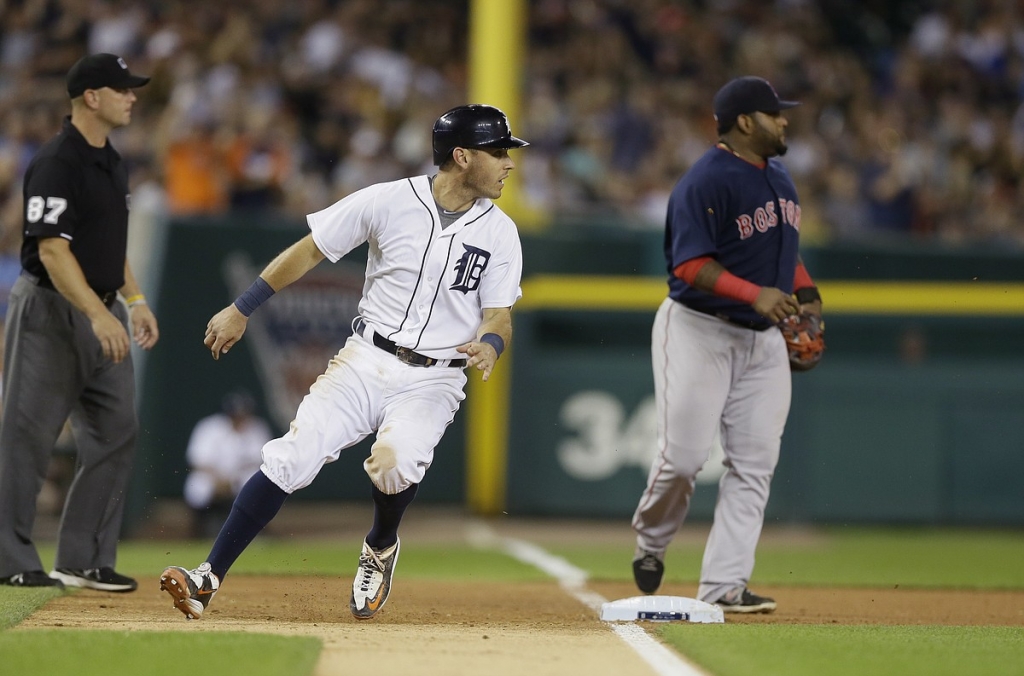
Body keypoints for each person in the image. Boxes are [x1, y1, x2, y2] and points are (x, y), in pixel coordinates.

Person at [160, 104, 528, 620]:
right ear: (462, 156)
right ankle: (207, 577)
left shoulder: (501, 232)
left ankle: (380, 544)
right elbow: (311, 250)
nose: (509, 162)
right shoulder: (389, 200)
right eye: (499, 151)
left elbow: (499, 316)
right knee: (291, 456)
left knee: (396, 462)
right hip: (365, 359)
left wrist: (490, 343)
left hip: (435, 377)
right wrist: (242, 308)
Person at [630, 76, 823, 613]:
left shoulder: (780, 177)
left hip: (763, 342)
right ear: (745, 122)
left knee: (754, 465)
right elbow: (688, 264)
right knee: (683, 460)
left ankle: (725, 586)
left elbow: (782, 249)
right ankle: (651, 541)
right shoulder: (705, 181)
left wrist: (805, 291)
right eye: (774, 113)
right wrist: (754, 293)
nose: (784, 120)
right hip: (698, 329)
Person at [0, 53, 159, 591]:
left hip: (104, 308)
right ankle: (10, 559)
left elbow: (108, 246)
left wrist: (133, 301)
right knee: (27, 437)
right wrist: (99, 313)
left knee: (117, 431)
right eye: (122, 89)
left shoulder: (112, 160)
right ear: (92, 97)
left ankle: (82, 558)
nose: (132, 96)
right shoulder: (57, 162)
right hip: (52, 310)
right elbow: (51, 251)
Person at [183, 390, 273, 539]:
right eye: (235, 415)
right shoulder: (210, 427)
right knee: (198, 484)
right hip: (213, 476)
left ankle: (256, 531)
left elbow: (262, 461)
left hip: (240, 477)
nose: (239, 418)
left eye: (243, 414)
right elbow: (197, 461)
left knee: (254, 481)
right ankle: (199, 530)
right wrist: (219, 480)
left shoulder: (257, 428)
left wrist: (232, 479)